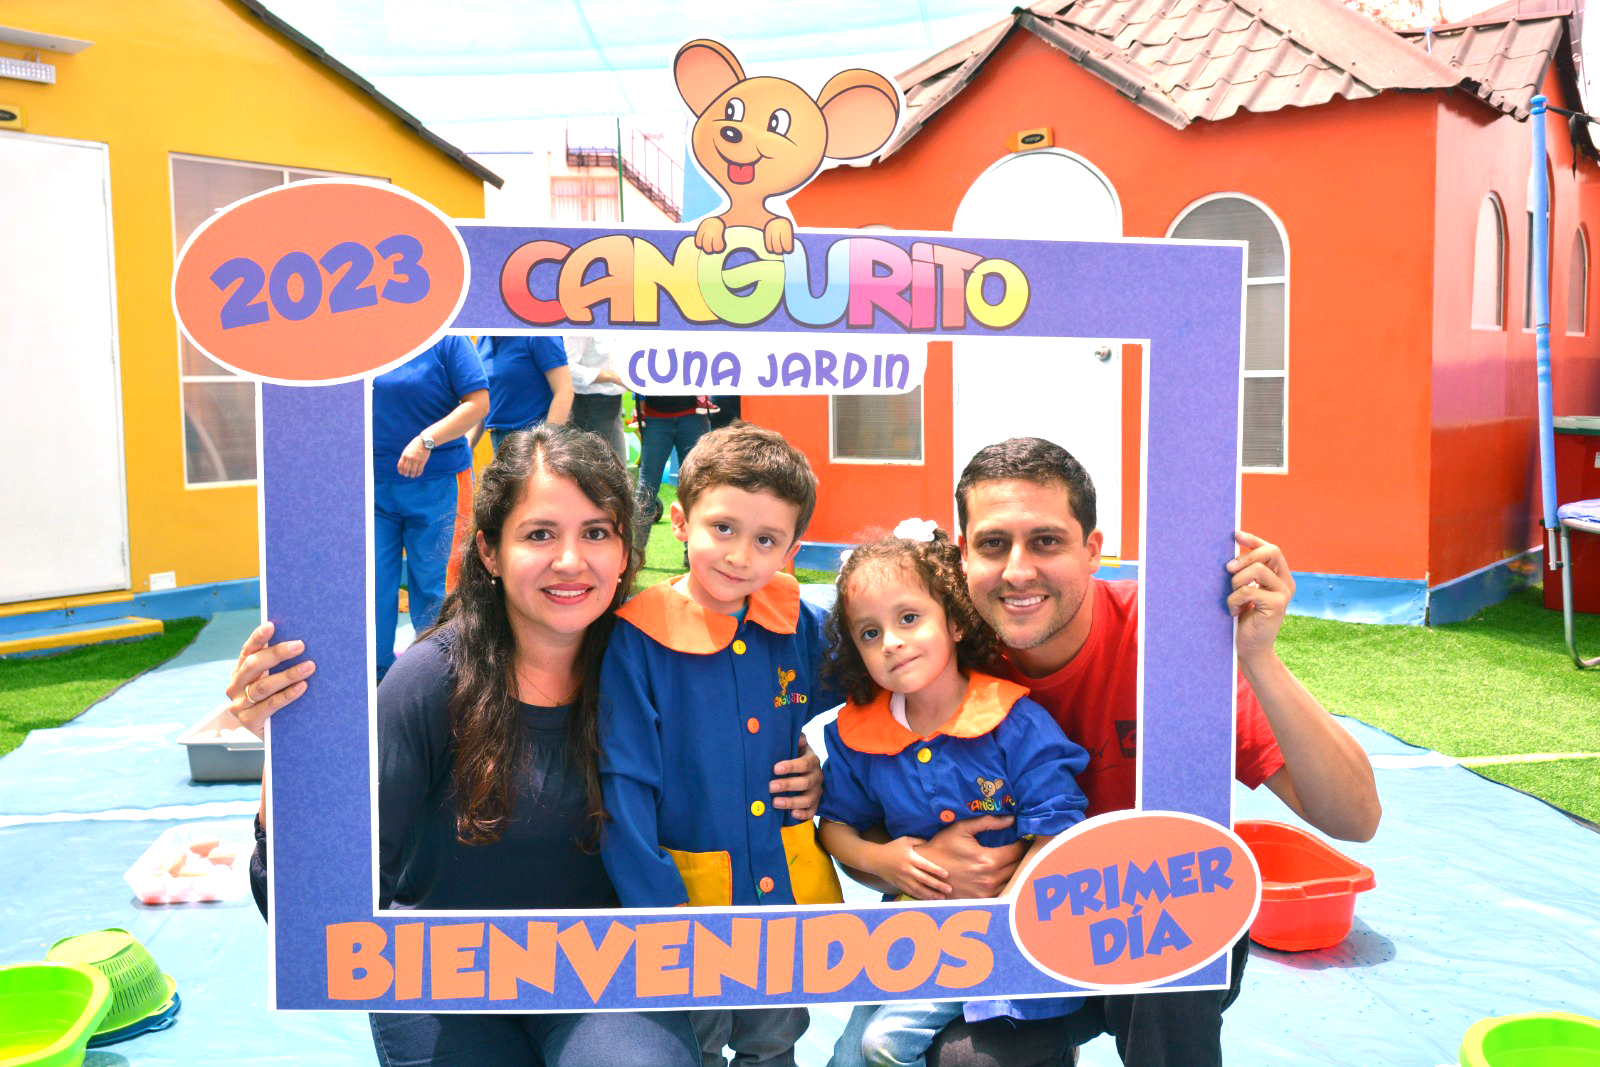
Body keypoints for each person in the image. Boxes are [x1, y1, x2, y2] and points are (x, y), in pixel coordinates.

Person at [227, 425, 825, 1067]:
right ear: (489, 551)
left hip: (603, 968)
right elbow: (311, 901)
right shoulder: (431, 682)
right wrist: (287, 752)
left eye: (596, 532)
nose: (570, 560)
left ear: (626, 550)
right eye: (539, 534)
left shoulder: (652, 662)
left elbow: (794, 714)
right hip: (447, 979)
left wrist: (813, 772)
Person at [912, 437, 1382, 1067]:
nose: (1019, 571)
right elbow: (860, 825)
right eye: (994, 544)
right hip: (1016, 929)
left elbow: (1356, 817)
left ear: (1093, 551)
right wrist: (910, 859)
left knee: (1175, 954)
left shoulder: (1167, 640)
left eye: (1046, 541)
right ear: (964, 554)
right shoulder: (934, 656)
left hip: (1155, 926)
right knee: (965, 1058)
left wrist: (1259, 659)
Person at [598, 422, 842, 1067]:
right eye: (723, 528)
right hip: (685, 903)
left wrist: (826, 771)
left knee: (776, 1040)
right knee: (692, 1045)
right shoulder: (638, 639)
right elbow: (623, 784)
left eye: (766, 540)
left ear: (792, 548)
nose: (740, 556)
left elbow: (879, 694)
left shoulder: (798, 621)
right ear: (680, 523)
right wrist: (657, 911)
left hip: (782, 894)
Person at [816, 523, 1090, 1067]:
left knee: (884, 1044)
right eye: (869, 632)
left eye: (909, 618)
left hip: (1003, 933)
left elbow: (1059, 829)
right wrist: (884, 860)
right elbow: (835, 828)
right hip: (909, 929)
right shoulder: (858, 734)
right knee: (848, 1056)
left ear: (956, 622)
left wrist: (1005, 918)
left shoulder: (1013, 721)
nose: (890, 642)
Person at [371, 336, 488, 680]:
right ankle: (377, 674)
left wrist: (427, 440)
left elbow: (478, 404)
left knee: (435, 587)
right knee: (374, 585)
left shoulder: (447, 342)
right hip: (374, 484)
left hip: (438, 483)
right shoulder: (365, 338)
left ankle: (437, 676)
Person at [630, 391, 710, 551]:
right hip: (656, 417)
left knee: (695, 485)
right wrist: (640, 407)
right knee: (647, 487)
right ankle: (634, 552)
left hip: (691, 415)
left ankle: (694, 551)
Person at [477, 334, 573, 451]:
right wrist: (469, 444)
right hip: (498, 437)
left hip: (532, 438)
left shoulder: (540, 335)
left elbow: (564, 390)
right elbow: (482, 399)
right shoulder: (484, 337)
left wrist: (546, 445)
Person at [564, 334, 628, 461]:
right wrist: (610, 376)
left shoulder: (615, 325)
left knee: (618, 465)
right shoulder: (580, 328)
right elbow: (567, 368)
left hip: (614, 402)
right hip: (590, 404)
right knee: (595, 464)